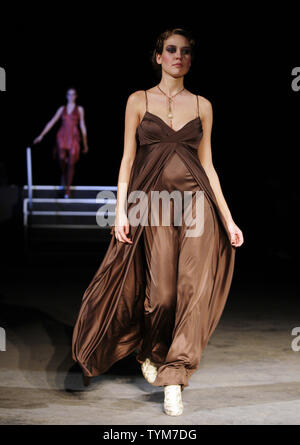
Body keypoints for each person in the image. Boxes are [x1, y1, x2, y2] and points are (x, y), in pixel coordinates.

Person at [72, 28, 244, 417]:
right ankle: (150, 350)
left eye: (186, 52)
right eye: (171, 50)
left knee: (192, 292)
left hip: (197, 202)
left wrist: (229, 219)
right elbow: (127, 160)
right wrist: (119, 210)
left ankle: (175, 375)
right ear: (157, 56)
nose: (178, 56)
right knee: (161, 294)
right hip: (152, 203)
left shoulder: (203, 105)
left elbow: (209, 166)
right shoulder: (138, 100)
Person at [33, 88, 89, 198]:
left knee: (71, 163)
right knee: (62, 159)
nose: (71, 96)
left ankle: (67, 189)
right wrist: (41, 135)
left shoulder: (79, 109)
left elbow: (82, 124)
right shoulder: (62, 109)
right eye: (69, 94)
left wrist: (85, 142)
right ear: (66, 96)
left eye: (73, 94)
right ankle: (64, 175)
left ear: (76, 96)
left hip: (73, 137)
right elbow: (52, 121)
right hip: (62, 136)